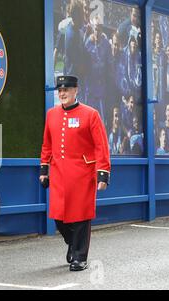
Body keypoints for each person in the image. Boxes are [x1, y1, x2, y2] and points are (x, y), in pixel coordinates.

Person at [39, 75, 110, 271]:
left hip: (83, 174)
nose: (62, 93)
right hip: (59, 175)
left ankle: (79, 256)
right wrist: (44, 169)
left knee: (80, 216)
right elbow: (47, 145)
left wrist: (102, 173)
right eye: (60, 90)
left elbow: (101, 146)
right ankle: (72, 242)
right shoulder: (52, 114)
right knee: (58, 216)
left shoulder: (91, 114)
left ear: (76, 90)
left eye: (67, 90)